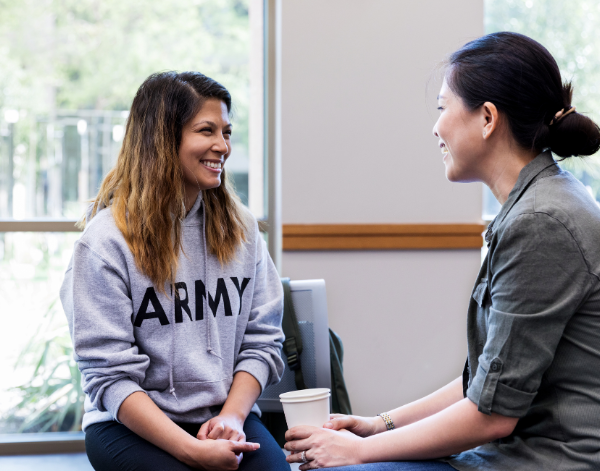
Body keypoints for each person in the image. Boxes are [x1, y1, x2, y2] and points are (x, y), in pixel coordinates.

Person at [284, 31, 600, 471]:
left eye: (442, 108)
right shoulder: (538, 203)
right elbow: (487, 382)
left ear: (488, 118)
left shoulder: (541, 221)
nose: (435, 127)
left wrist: (357, 451)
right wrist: (380, 425)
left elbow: (491, 416)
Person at [60, 71, 290, 471]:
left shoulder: (241, 229)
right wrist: (190, 452)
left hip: (222, 415)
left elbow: (263, 341)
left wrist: (232, 418)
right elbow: (109, 376)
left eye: (227, 132)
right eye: (207, 131)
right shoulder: (104, 243)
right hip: (128, 425)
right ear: (162, 139)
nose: (223, 146)